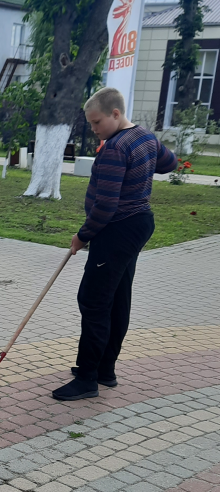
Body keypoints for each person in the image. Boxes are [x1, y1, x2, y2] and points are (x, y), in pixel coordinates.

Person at [53, 87, 177, 401]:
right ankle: (105, 369)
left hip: (116, 229)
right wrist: (144, 167)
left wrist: (82, 237)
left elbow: (105, 207)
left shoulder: (115, 147)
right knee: (118, 294)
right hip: (138, 224)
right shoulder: (145, 137)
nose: (94, 130)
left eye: (97, 122)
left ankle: (87, 378)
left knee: (93, 300)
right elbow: (170, 163)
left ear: (115, 114)